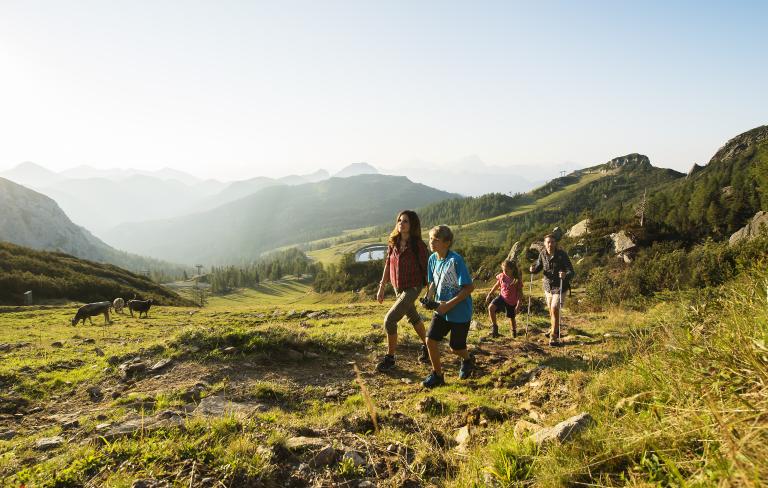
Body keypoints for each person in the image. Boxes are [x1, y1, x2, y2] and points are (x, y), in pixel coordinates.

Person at [375, 210, 430, 372]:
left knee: (389, 320)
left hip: (413, 287)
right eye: (399, 220)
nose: (401, 223)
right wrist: (381, 287)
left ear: (412, 224)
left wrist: (430, 291)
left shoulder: (418, 245)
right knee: (414, 317)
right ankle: (428, 346)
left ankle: (390, 359)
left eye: (405, 221)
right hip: (397, 287)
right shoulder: (393, 242)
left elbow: (427, 268)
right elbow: (387, 265)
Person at [421, 225, 475, 388]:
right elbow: (433, 283)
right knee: (430, 340)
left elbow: (469, 287)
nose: (432, 242)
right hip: (441, 310)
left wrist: (448, 305)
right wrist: (428, 298)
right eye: (430, 239)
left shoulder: (455, 260)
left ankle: (467, 359)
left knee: (456, 348)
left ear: (447, 242)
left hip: (460, 312)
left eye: (436, 240)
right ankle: (438, 375)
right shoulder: (432, 259)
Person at [529, 233, 575, 346]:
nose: (550, 244)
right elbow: (539, 267)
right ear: (544, 244)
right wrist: (533, 269)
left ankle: (553, 337)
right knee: (551, 311)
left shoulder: (562, 255)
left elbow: (571, 271)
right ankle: (554, 328)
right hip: (547, 287)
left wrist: (565, 275)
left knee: (554, 308)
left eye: (552, 242)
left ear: (555, 243)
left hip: (560, 286)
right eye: (548, 242)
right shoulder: (542, 254)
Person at [485, 259, 523, 338]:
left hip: (512, 301)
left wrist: (519, 304)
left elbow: (520, 292)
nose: (504, 272)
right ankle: (494, 329)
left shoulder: (516, 280)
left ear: (512, 269)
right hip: (502, 297)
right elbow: (497, 285)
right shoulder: (502, 276)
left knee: (512, 318)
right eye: (503, 270)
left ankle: (514, 332)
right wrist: (490, 294)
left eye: (506, 270)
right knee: (491, 308)